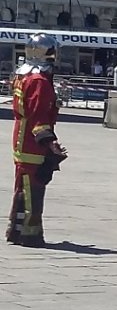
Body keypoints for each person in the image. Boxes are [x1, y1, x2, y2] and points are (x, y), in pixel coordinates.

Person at [6, 33, 67, 248]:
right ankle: (30, 234)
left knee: (23, 185)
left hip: (21, 135)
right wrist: (50, 143)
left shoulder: (23, 76)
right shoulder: (39, 81)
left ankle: (16, 228)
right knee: (34, 185)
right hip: (33, 140)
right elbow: (39, 115)